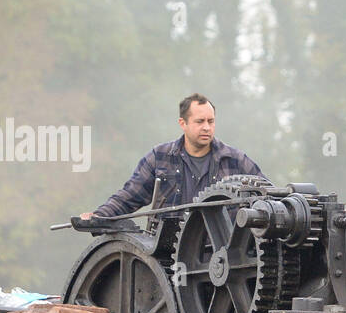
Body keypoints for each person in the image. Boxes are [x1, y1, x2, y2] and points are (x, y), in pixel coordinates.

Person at [80, 93, 269, 221]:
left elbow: (268, 196)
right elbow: (129, 196)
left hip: (224, 257)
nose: (206, 127)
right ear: (183, 123)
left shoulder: (235, 161)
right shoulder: (159, 158)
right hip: (167, 258)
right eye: (200, 121)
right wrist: (99, 216)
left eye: (211, 121)